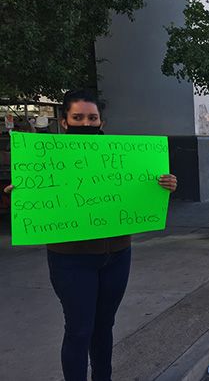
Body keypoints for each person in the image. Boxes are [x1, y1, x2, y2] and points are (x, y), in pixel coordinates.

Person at [3, 89, 178, 381]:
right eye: (79, 117)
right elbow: (34, 195)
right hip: (71, 260)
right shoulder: (44, 158)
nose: (87, 123)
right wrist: (17, 196)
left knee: (104, 326)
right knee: (79, 329)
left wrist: (165, 183)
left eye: (92, 117)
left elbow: (140, 189)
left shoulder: (124, 157)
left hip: (118, 255)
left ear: (101, 121)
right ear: (65, 122)